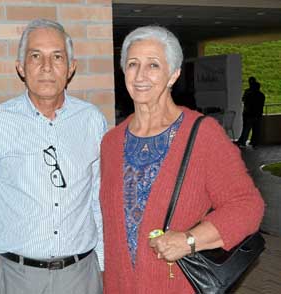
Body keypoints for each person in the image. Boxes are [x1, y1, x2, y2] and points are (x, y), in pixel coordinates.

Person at [99, 26, 265, 293]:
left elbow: (247, 206)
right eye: (132, 64)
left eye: (153, 65)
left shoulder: (203, 135)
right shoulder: (111, 142)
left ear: (173, 74)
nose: (140, 75)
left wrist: (190, 240)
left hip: (176, 285)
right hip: (120, 285)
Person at [0, 19, 107, 294]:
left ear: (71, 67)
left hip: (82, 276)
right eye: (35, 56)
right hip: (17, 278)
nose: (46, 67)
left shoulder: (92, 121)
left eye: (57, 57)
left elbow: (97, 199)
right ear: (21, 66)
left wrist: (102, 267)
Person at [236, 77, 266, 148]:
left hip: (249, 115)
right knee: (256, 130)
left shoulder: (248, 93)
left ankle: (243, 142)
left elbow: (244, 101)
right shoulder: (262, 95)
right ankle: (254, 144)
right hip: (258, 115)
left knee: (246, 129)